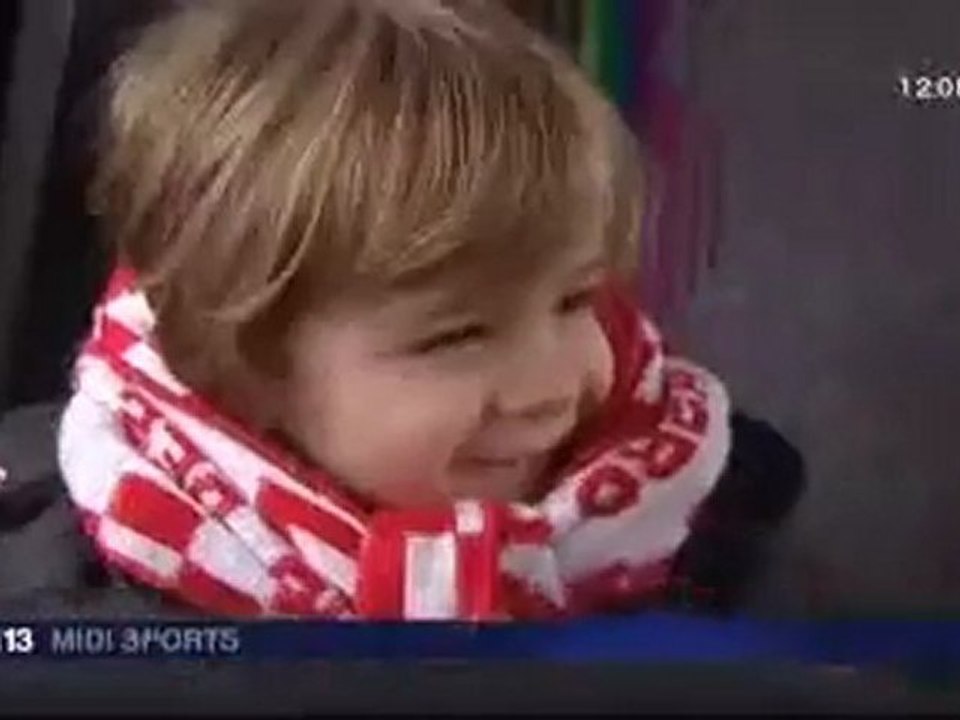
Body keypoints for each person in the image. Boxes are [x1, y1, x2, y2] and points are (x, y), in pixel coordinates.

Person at [0, 0, 804, 620]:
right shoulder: (57, 611)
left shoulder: (711, 535)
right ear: (239, 366)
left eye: (576, 298)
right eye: (459, 334)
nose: (552, 387)